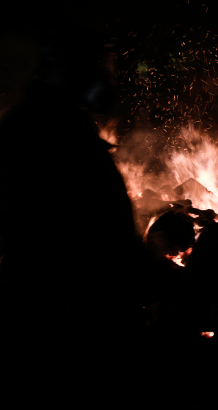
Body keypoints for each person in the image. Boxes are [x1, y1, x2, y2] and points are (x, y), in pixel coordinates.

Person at [0, 25, 144, 403]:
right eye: (99, 66)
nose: (106, 78)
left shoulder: (52, 124)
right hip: (64, 326)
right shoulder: (49, 134)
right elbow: (93, 237)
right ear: (71, 69)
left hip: (65, 316)